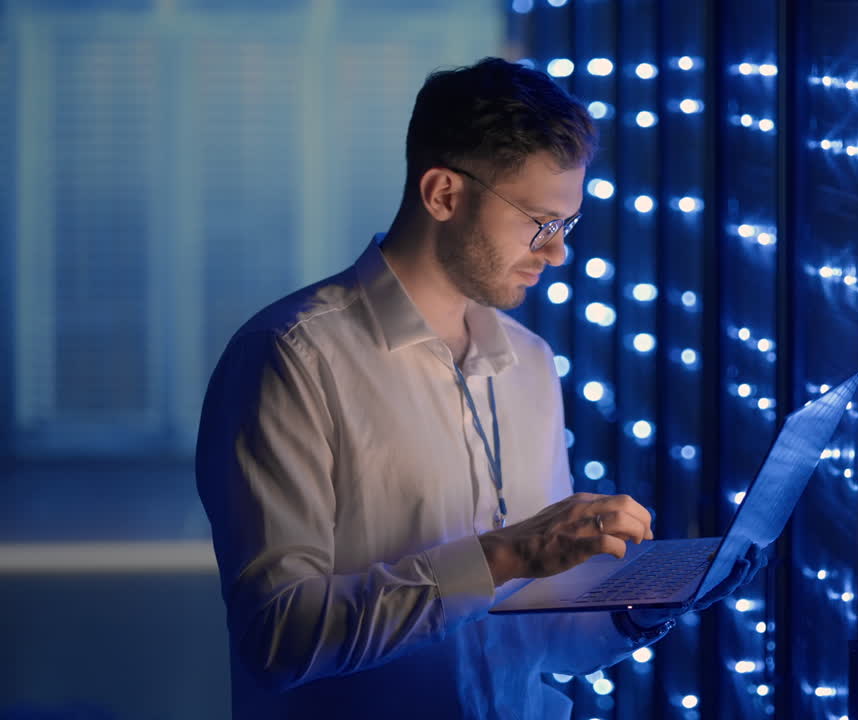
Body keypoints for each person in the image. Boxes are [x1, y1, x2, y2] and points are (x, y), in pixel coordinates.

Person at [195, 57, 763, 719]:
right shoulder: (292, 358)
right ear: (443, 195)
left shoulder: (529, 363)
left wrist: (642, 607)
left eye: (567, 226)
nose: (557, 254)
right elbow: (278, 639)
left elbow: (538, 636)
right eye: (539, 223)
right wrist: (506, 554)